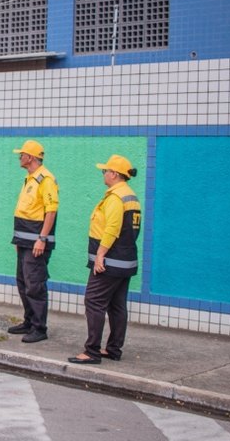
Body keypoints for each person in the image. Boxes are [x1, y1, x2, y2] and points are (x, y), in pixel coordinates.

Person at [68, 155, 141, 364]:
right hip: (125, 261)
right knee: (117, 306)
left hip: (109, 262)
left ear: (114, 174)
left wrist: (100, 255)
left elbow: (112, 228)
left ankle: (92, 351)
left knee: (94, 301)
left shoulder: (116, 197)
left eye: (105, 171)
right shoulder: (131, 196)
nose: (104, 174)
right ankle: (113, 349)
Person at [9, 140, 58, 343]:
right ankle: (29, 321)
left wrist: (42, 239)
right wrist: (19, 241)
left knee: (35, 285)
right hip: (24, 242)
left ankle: (39, 327)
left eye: (22, 154)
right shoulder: (30, 179)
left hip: (36, 243)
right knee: (23, 283)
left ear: (30, 157)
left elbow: (51, 210)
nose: (19, 157)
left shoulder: (45, 179)